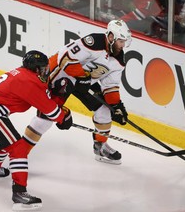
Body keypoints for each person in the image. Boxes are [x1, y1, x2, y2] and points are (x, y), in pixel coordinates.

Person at [0, 50, 73, 211]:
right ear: (36, 69)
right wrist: (64, 118)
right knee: (18, 148)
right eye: (44, 68)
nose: (46, 71)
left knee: (5, 142)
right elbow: (50, 111)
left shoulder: (24, 74)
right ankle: (19, 194)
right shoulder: (28, 81)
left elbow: (39, 98)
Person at [24, 20, 132, 165]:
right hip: (61, 76)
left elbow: (110, 85)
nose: (123, 45)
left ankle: (100, 147)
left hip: (85, 82)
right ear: (111, 37)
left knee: (105, 110)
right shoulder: (93, 42)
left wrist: (117, 106)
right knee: (47, 117)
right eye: (120, 41)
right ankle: (21, 151)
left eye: (124, 42)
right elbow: (65, 56)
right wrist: (82, 77)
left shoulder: (119, 60)